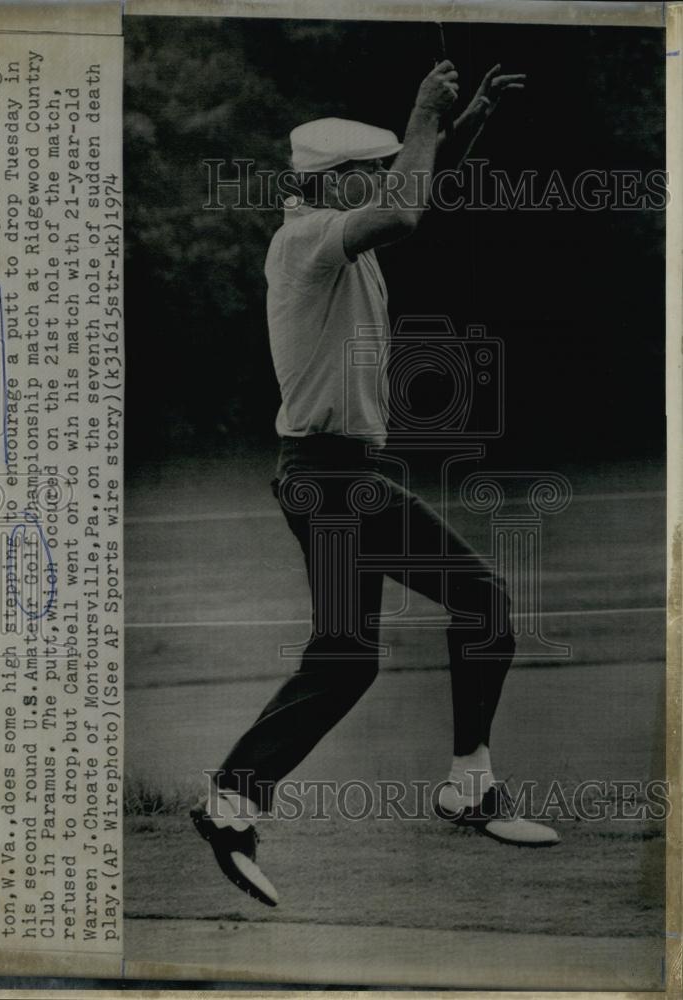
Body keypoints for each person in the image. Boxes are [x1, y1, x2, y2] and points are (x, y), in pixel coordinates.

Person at [191, 59, 559, 909]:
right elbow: (404, 202)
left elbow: (414, 188)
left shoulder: (329, 231)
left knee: (346, 657)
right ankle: (468, 784)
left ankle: (232, 798)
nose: (383, 180)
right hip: (330, 479)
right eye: (369, 171)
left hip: (325, 478)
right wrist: (424, 108)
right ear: (339, 181)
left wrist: (464, 123)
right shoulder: (307, 239)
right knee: (483, 597)